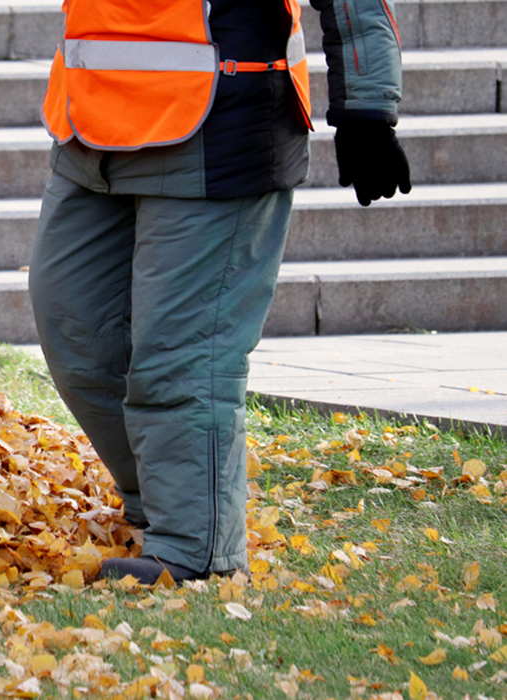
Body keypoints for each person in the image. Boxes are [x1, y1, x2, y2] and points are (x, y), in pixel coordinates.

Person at [30, 0, 410, 584]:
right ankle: (163, 509)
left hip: (220, 129)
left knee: (183, 359)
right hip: (92, 125)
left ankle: (194, 548)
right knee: (78, 337)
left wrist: (366, 104)